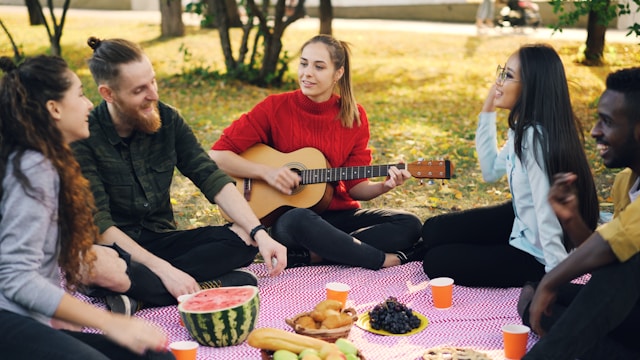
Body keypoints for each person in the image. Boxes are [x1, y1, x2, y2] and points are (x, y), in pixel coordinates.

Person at [71, 37, 287, 315]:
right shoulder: (83, 135)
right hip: (117, 249)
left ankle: (142, 297)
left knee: (245, 239)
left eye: (153, 82)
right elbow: (101, 226)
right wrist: (166, 271)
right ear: (108, 94)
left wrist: (260, 234)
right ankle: (210, 283)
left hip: (163, 241)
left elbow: (210, 176)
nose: (154, 95)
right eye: (140, 90)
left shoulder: (168, 120)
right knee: (93, 266)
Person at [0, 55, 173, 359]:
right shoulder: (33, 166)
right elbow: (15, 276)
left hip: (29, 319)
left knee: (156, 356)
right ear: (54, 109)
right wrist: (108, 322)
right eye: (79, 94)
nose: (89, 104)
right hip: (8, 319)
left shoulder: (47, 160)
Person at [209, 34, 422, 270]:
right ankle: (378, 259)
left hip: (338, 219)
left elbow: (356, 187)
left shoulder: (354, 116)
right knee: (298, 218)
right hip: (291, 222)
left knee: (409, 224)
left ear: (338, 73)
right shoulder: (274, 107)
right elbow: (217, 155)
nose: (307, 73)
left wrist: (386, 185)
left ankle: (314, 257)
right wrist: (266, 173)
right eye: (303, 63)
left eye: (319, 67)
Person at [420, 44, 600, 288]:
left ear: (532, 88)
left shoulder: (535, 139)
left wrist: (555, 280)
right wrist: (487, 109)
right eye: (502, 71)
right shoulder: (524, 130)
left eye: (508, 75)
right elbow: (491, 171)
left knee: (436, 261)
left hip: (536, 254)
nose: (499, 81)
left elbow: (547, 212)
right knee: (432, 231)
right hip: (520, 219)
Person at [520, 68, 640, 359]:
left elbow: (619, 265)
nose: (595, 131)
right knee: (535, 297)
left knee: (626, 266)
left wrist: (553, 280)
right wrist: (571, 219)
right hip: (631, 308)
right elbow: (609, 265)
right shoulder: (626, 181)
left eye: (607, 122)